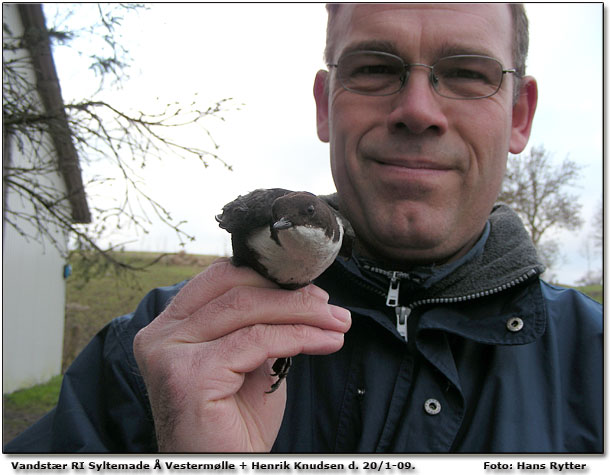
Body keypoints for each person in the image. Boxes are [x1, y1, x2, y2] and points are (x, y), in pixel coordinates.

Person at [5, 3, 602, 453]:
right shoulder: (157, 355)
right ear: (325, 104)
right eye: (374, 67)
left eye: (468, 72)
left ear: (519, 115)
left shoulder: (594, 366)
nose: (418, 110)